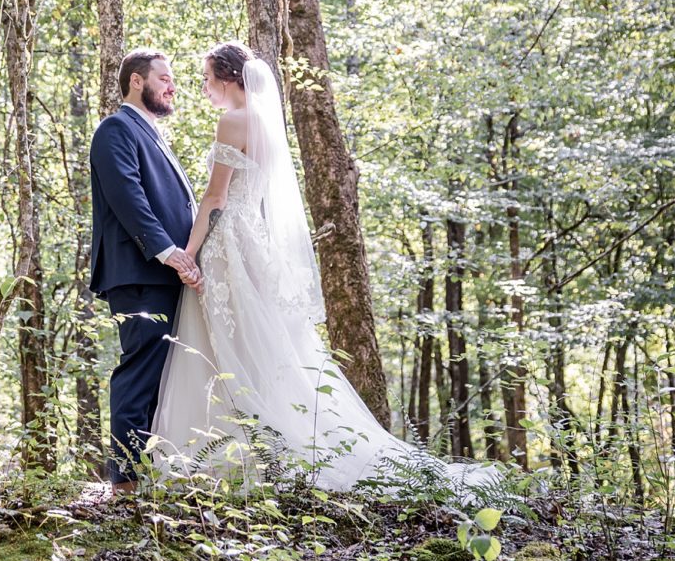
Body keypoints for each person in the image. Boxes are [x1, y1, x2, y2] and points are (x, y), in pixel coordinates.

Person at [150, 41, 495, 493]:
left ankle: (224, 454)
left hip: (229, 244)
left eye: (207, 78)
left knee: (223, 345)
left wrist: (188, 253)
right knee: (259, 346)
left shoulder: (232, 120)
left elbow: (215, 199)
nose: (203, 87)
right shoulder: (267, 125)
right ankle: (259, 445)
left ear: (230, 78)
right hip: (253, 241)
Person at [88, 49, 201, 492]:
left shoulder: (152, 133)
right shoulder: (115, 129)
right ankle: (125, 482)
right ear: (137, 81)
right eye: (165, 78)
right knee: (140, 370)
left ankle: (151, 474)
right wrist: (167, 251)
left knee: (163, 373)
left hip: (164, 274)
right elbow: (128, 197)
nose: (173, 86)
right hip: (139, 273)